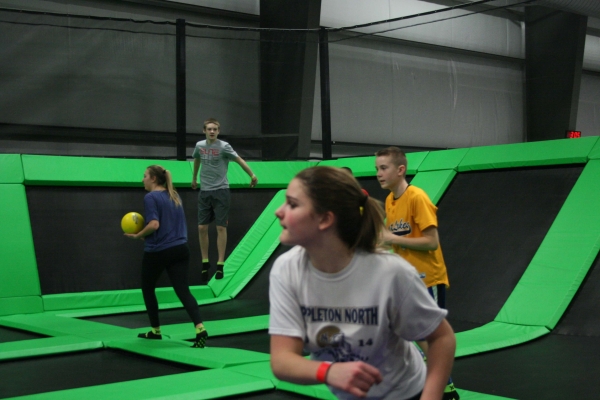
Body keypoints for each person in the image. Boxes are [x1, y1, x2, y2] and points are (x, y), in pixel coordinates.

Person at [269, 166, 456, 400]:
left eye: (292, 204)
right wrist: (329, 371)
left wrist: (431, 397)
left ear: (325, 219)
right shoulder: (286, 270)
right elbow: (282, 360)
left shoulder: (390, 273)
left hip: (405, 393)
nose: (278, 211)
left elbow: (441, 338)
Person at [375, 146, 459, 400]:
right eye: (377, 168)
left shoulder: (417, 197)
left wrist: (390, 238)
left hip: (428, 279)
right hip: (406, 280)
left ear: (400, 170)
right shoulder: (390, 200)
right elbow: (397, 239)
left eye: (383, 168)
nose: (379, 173)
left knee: (431, 340)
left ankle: (447, 390)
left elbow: (431, 242)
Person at [125, 165, 208, 348]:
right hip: (181, 249)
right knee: (183, 290)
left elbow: (154, 224)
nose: (142, 179)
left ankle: (155, 331)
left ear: (153, 179)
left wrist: (138, 235)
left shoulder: (151, 197)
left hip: (159, 250)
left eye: (144, 175)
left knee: (147, 289)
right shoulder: (174, 195)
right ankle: (200, 328)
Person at [191, 118, 258, 282]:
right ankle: (205, 261)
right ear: (204, 131)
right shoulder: (200, 146)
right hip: (205, 191)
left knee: (221, 227)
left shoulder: (224, 147)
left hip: (221, 191)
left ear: (218, 131)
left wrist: (252, 174)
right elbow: (197, 160)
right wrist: (194, 178)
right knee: (201, 227)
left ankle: (220, 263)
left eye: (215, 129)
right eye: (209, 129)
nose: (212, 131)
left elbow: (239, 159)